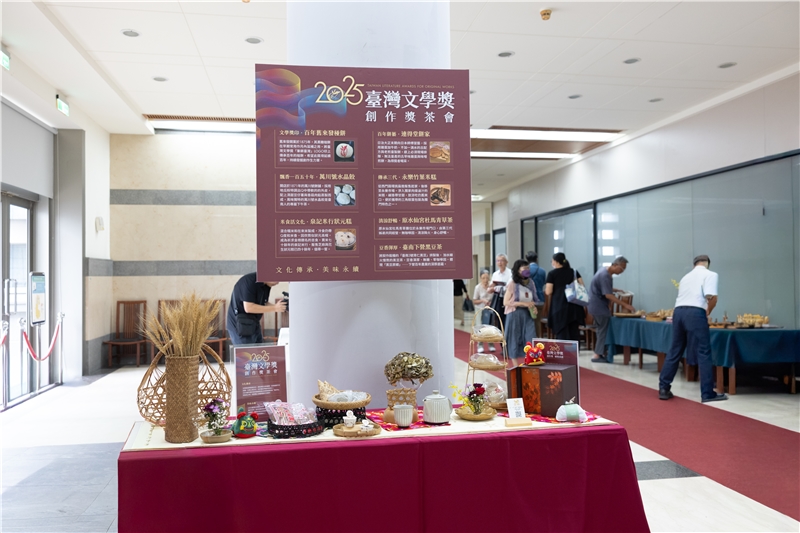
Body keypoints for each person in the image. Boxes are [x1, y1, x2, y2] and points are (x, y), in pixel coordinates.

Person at [658, 255, 727, 403]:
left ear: (694, 265)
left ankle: (664, 388)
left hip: (678, 312)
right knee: (703, 351)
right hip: (695, 312)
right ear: (707, 264)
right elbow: (712, 297)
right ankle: (707, 393)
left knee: (675, 349)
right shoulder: (711, 274)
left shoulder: (685, 277)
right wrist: (707, 312)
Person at [588, 256, 635, 363]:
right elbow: (608, 295)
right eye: (622, 268)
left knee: (601, 330)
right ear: (615, 265)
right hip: (599, 307)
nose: (622, 271)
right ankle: (597, 355)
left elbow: (603, 287)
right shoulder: (605, 275)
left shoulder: (603, 270)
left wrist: (616, 290)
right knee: (603, 331)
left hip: (595, 305)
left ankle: (601, 353)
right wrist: (625, 305)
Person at [226, 273, 286, 345]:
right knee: (246, 351)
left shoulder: (266, 285)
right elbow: (249, 308)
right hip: (240, 326)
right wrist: (275, 308)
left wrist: (278, 306)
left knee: (258, 351)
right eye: (277, 279)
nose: (278, 283)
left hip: (253, 323)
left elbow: (263, 303)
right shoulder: (249, 281)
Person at [504, 259, 539, 365]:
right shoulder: (512, 283)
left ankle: (530, 362)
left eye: (528, 268)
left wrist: (533, 307)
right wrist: (523, 304)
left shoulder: (531, 283)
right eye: (524, 268)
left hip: (527, 314)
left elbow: (533, 299)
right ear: (518, 270)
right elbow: (506, 302)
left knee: (530, 337)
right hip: (514, 313)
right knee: (514, 338)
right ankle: (516, 366)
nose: (527, 270)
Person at [544, 253, 585, 341]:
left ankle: (564, 350)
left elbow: (548, 291)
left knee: (562, 333)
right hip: (574, 306)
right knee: (574, 332)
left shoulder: (552, 273)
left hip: (560, 307)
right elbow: (582, 286)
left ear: (556, 262)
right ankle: (575, 349)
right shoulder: (574, 272)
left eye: (552, 261)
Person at [472, 269, 496, 353]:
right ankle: (480, 345)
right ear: (480, 278)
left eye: (487, 278)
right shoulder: (477, 287)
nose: (485, 280)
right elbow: (474, 301)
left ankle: (491, 344)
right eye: (483, 278)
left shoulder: (491, 286)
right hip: (480, 309)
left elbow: (495, 297)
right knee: (480, 327)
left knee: (490, 326)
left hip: (490, 309)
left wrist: (490, 303)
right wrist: (482, 300)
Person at [525, 251, 547, 338]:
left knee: (528, 322)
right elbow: (544, 283)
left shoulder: (526, 271)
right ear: (537, 259)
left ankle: (528, 340)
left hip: (528, 299)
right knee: (537, 322)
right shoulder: (542, 271)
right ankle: (537, 339)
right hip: (540, 299)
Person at [488, 254, 511, 328]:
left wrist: (496, 288)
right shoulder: (495, 274)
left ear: (506, 262)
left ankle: (506, 333)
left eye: (502, 261)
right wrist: (491, 288)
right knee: (498, 317)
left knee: (506, 318)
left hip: (508, 298)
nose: (500, 263)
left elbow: (510, 287)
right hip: (497, 298)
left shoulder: (510, 273)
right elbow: (491, 285)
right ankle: (500, 333)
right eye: (498, 261)